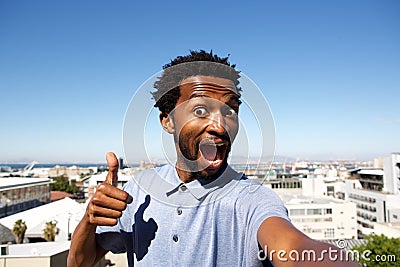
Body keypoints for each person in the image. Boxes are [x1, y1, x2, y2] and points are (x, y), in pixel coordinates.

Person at [67, 50, 358, 267]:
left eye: (230, 110)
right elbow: (79, 263)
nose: (220, 125)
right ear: (167, 121)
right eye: (201, 110)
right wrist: (89, 218)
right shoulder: (138, 191)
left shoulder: (251, 199)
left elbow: (291, 248)